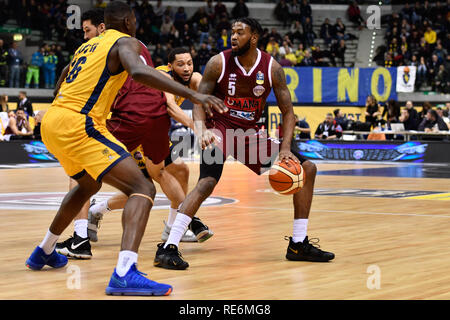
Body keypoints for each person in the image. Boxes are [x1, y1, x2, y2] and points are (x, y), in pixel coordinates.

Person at [25, 1, 225, 296]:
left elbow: (66, 72)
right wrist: (191, 93)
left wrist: (59, 105)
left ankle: (44, 250)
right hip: (81, 123)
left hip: (55, 120)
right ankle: (124, 273)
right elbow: (139, 72)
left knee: (85, 186)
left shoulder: (88, 46)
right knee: (143, 188)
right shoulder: (125, 41)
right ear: (130, 21)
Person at [153, 18, 334, 270]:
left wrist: (284, 148)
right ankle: (168, 247)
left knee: (308, 169)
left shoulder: (272, 68)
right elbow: (198, 99)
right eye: (232, 32)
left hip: (249, 135)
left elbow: (288, 113)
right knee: (206, 182)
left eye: (240, 32)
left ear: (254, 37)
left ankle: (298, 243)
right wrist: (202, 128)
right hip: (220, 130)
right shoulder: (218, 62)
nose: (233, 37)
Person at [85, 47, 214, 245]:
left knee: (180, 171)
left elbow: (205, 87)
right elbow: (171, 107)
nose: (186, 68)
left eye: (189, 63)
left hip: (154, 129)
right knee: (152, 180)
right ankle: (187, 219)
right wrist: (198, 127)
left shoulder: (192, 76)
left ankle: (171, 225)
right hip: (134, 129)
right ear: (171, 66)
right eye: (181, 64)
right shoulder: (162, 76)